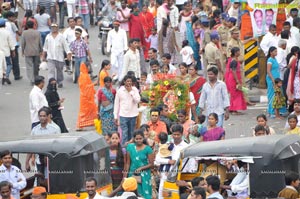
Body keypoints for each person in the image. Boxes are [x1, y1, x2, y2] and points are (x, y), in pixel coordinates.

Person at [124, 129, 154, 199]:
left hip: (145, 175)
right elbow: (128, 163)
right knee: (132, 193)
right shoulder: (130, 147)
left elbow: (151, 164)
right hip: (132, 173)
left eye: (140, 138)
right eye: (136, 139)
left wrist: (141, 168)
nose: (138, 140)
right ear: (134, 139)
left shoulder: (148, 149)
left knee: (145, 194)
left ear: (143, 138)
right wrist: (125, 176)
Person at [114, 75, 140, 146]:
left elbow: (137, 100)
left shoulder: (134, 90)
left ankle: (130, 150)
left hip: (133, 115)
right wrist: (115, 116)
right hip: (123, 115)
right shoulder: (120, 91)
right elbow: (116, 104)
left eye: (130, 81)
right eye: (127, 81)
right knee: (124, 133)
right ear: (124, 82)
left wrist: (131, 92)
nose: (129, 83)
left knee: (131, 133)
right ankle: (123, 150)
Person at [42, 23, 71, 88]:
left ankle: (60, 82)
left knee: (59, 71)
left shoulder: (61, 36)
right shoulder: (48, 36)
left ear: (57, 28)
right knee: (51, 71)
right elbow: (45, 47)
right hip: (50, 57)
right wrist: (43, 56)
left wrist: (68, 53)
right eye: (52, 27)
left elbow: (66, 46)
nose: (54, 28)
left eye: (55, 27)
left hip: (59, 57)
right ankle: (52, 83)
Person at [224, 47, 247, 114]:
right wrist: (237, 80)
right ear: (235, 53)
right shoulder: (234, 61)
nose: (239, 53)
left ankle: (232, 108)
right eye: (238, 51)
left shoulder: (232, 60)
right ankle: (234, 110)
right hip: (233, 79)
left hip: (232, 78)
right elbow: (233, 71)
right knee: (235, 94)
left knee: (234, 94)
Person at [266, 46, 287, 118]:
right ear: (271, 52)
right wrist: (273, 80)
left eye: (276, 51)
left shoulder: (275, 59)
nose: (276, 52)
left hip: (277, 79)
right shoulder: (270, 60)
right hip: (272, 79)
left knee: (279, 94)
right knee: (272, 95)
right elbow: (268, 71)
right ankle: (271, 111)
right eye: (275, 51)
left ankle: (278, 111)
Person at [76, 63, 98, 130]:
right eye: (88, 67)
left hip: (86, 97)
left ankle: (93, 122)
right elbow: (85, 88)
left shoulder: (83, 75)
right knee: (85, 112)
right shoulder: (84, 76)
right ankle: (80, 125)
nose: (89, 68)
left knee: (91, 110)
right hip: (86, 97)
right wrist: (94, 84)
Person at [21, 20, 42, 85]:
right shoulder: (37, 32)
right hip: (36, 51)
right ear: (33, 25)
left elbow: (22, 43)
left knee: (29, 66)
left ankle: (32, 79)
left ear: (26, 26)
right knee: (36, 65)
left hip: (28, 51)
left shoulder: (24, 33)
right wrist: (41, 50)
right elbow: (40, 42)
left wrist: (22, 51)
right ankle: (36, 77)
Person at [0, 18, 15, 85]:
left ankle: (3, 76)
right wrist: (13, 51)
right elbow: (11, 43)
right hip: (6, 52)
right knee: (9, 64)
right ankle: (6, 75)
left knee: (2, 65)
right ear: (5, 25)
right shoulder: (7, 32)